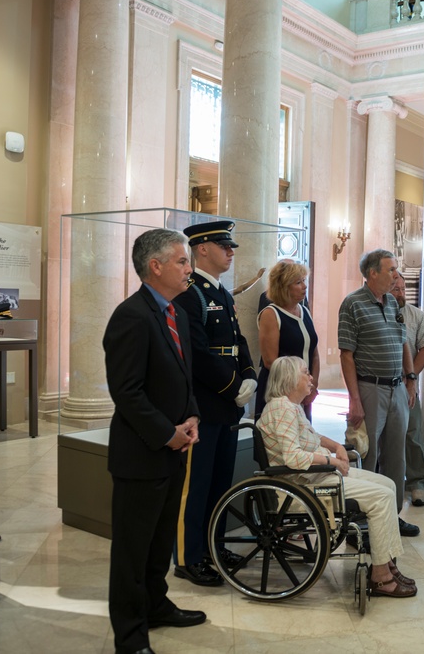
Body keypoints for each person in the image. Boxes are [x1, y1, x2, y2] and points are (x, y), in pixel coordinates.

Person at [104, 228, 205, 654]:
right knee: (132, 550)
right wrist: (168, 433)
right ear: (156, 266)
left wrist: (193, 414)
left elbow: (183, 376)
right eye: (183, 261)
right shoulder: (131, 316)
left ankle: (156, 604)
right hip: (142, 453)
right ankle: (130, 635)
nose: (190, 269)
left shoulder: (177, 312)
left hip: (175, 447)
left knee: (161, 540)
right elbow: (127, 391)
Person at [259, 356, 418, 597]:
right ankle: (381, 576)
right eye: (306, 373)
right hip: (304, 487)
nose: (311, 377)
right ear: (290, 379)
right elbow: (292, 457)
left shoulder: (290, 407)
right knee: (382, 496)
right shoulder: (282, 409)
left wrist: (336, 447)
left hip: (315, 477)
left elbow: (310, 437)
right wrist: (331, 461)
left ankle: (387, 563)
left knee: (387, 484)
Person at [171, 221, 257, 587]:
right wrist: (232, 384)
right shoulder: (191, 294)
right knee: (197, 484)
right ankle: (188, 558)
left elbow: (238, 339)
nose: (231, 251)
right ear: (202, 248)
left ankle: (213, 546)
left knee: (221, 483)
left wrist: (250, 374)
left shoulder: (220, 292)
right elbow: (198, 353)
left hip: (225, 405)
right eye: (225, 245)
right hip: (204, 404)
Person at [338, 249, 419, 537]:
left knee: (396, 458)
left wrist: (410, 379)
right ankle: (360, 521)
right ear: (373, 273)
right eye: (391, 270)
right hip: (369, 388)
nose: (396, 275)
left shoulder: (393, 304)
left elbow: (403, 343)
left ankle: (391, 516)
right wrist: (354, 399)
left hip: (397, 388)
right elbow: (346, 354)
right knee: (366, 456)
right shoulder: (352, 304)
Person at [254, 260, 319, 420]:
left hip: (303, 389)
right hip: (280, 391)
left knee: (304, 439)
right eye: (298, 282)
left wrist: (312, 385)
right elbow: (271, 361)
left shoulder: (304, 311)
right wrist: (297, 389)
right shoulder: (270, 314)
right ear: (283, 287)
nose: (304, 286)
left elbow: (314, 353)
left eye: (304, 281)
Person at [391, 272, 424, 507]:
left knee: (413, 433)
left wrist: (412, 379)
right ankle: (385, 483)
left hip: (406, 384)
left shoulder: (415, 315)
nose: (400, 293)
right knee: (382, 438)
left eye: (402, 288)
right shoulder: (376, 313)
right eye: (395, 289)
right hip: (378, 384)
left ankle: (417, 483)